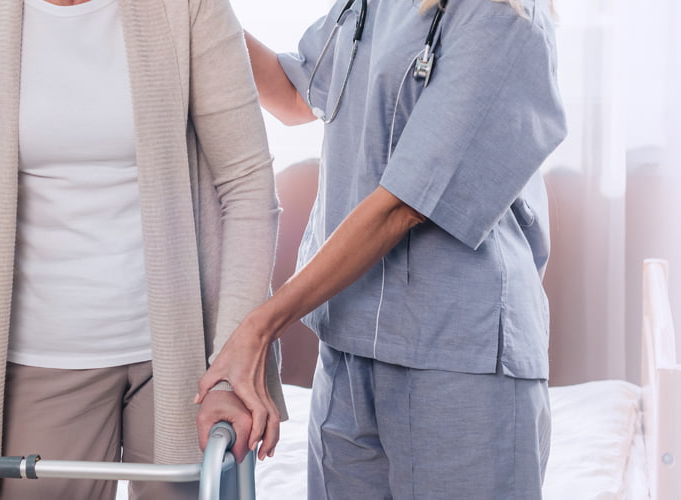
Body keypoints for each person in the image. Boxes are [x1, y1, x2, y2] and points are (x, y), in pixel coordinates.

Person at [0, 0, 284, 498]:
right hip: (40, 357)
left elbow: (245, 180)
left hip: (188, 361)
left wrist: (231, 368)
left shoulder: (187, 6)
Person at [195, 0, 566, 497]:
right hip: (350, 347)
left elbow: (405, 204)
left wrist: (259, 327)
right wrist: (195, 12)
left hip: (457, 357)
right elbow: (292, 93)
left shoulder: (502, 20)